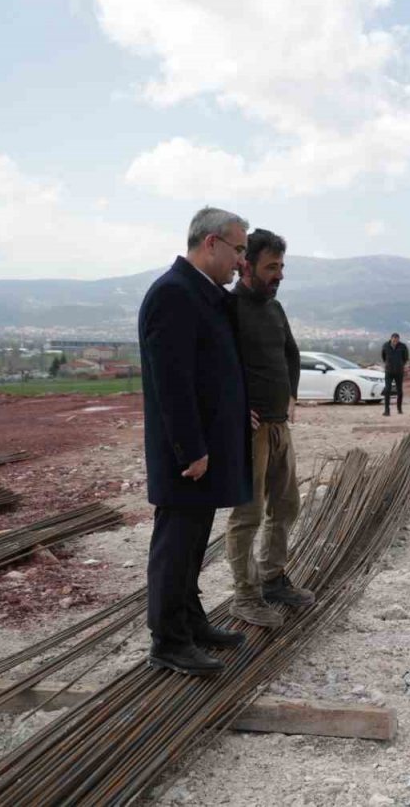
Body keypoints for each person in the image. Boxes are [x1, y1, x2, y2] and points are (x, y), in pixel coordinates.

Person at [138, 207, 253, 677]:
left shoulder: (201, 294)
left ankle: (190, 623)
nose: (242, 262)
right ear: (211, 243)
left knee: (191, 546)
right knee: (175, 545)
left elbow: (212, 372)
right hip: (187, 456)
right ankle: (168, 641)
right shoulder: (173, 295)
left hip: (202, 450)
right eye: (239, 250)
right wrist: (192, 449)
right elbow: (173, 383)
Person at [227, 228, 315, 628]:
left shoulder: (274, 308)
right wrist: (233, 407)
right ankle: (245, 596)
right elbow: (212, 369)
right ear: (246, 265)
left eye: (281, 267)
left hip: (279, 426)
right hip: (250, 431)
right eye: (271, 267)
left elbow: (291, 353)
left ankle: (273, 577)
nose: (279, 275)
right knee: (248, 514)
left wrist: (291, 394)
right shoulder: (227, 309)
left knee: (287, 505)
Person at [381, 332, 409, 416]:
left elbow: (405, 358)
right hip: (389, 371)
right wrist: (388, 364)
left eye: (396, 340)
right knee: (387, 390)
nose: (395, 341)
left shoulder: (403, 346)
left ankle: (399, 408)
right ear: (391, 339)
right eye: (394, 340)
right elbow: (383, 357)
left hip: (399, 372)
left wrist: (401, 365)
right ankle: (387, 410)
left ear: (398, 340)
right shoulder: (385, 346)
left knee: (399, 391)